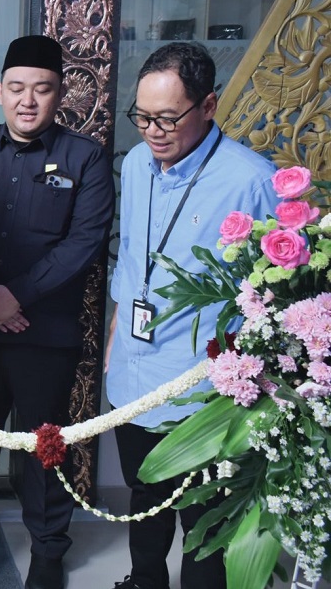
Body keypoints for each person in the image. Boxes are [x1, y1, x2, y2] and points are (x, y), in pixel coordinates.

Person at [105, 41, 280, 589]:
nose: (152, 132)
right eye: (141, 117)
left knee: (205, 517)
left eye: (167, 118)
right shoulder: (137, 164)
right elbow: (131, 254)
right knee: (144, 495)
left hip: (203, 389)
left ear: (208, 105)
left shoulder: (252, 181)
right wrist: (117, 332)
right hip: (134, 374)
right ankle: (144, 580)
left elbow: (279, 294)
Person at [0, 35, 115, 589]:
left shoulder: (86, 157)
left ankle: (47, 549)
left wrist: (14, 295)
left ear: (59, 94)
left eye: (41, 89)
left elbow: (85, 242)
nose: (28, 100)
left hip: (43, 333)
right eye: (16, 87)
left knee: (46, 445)